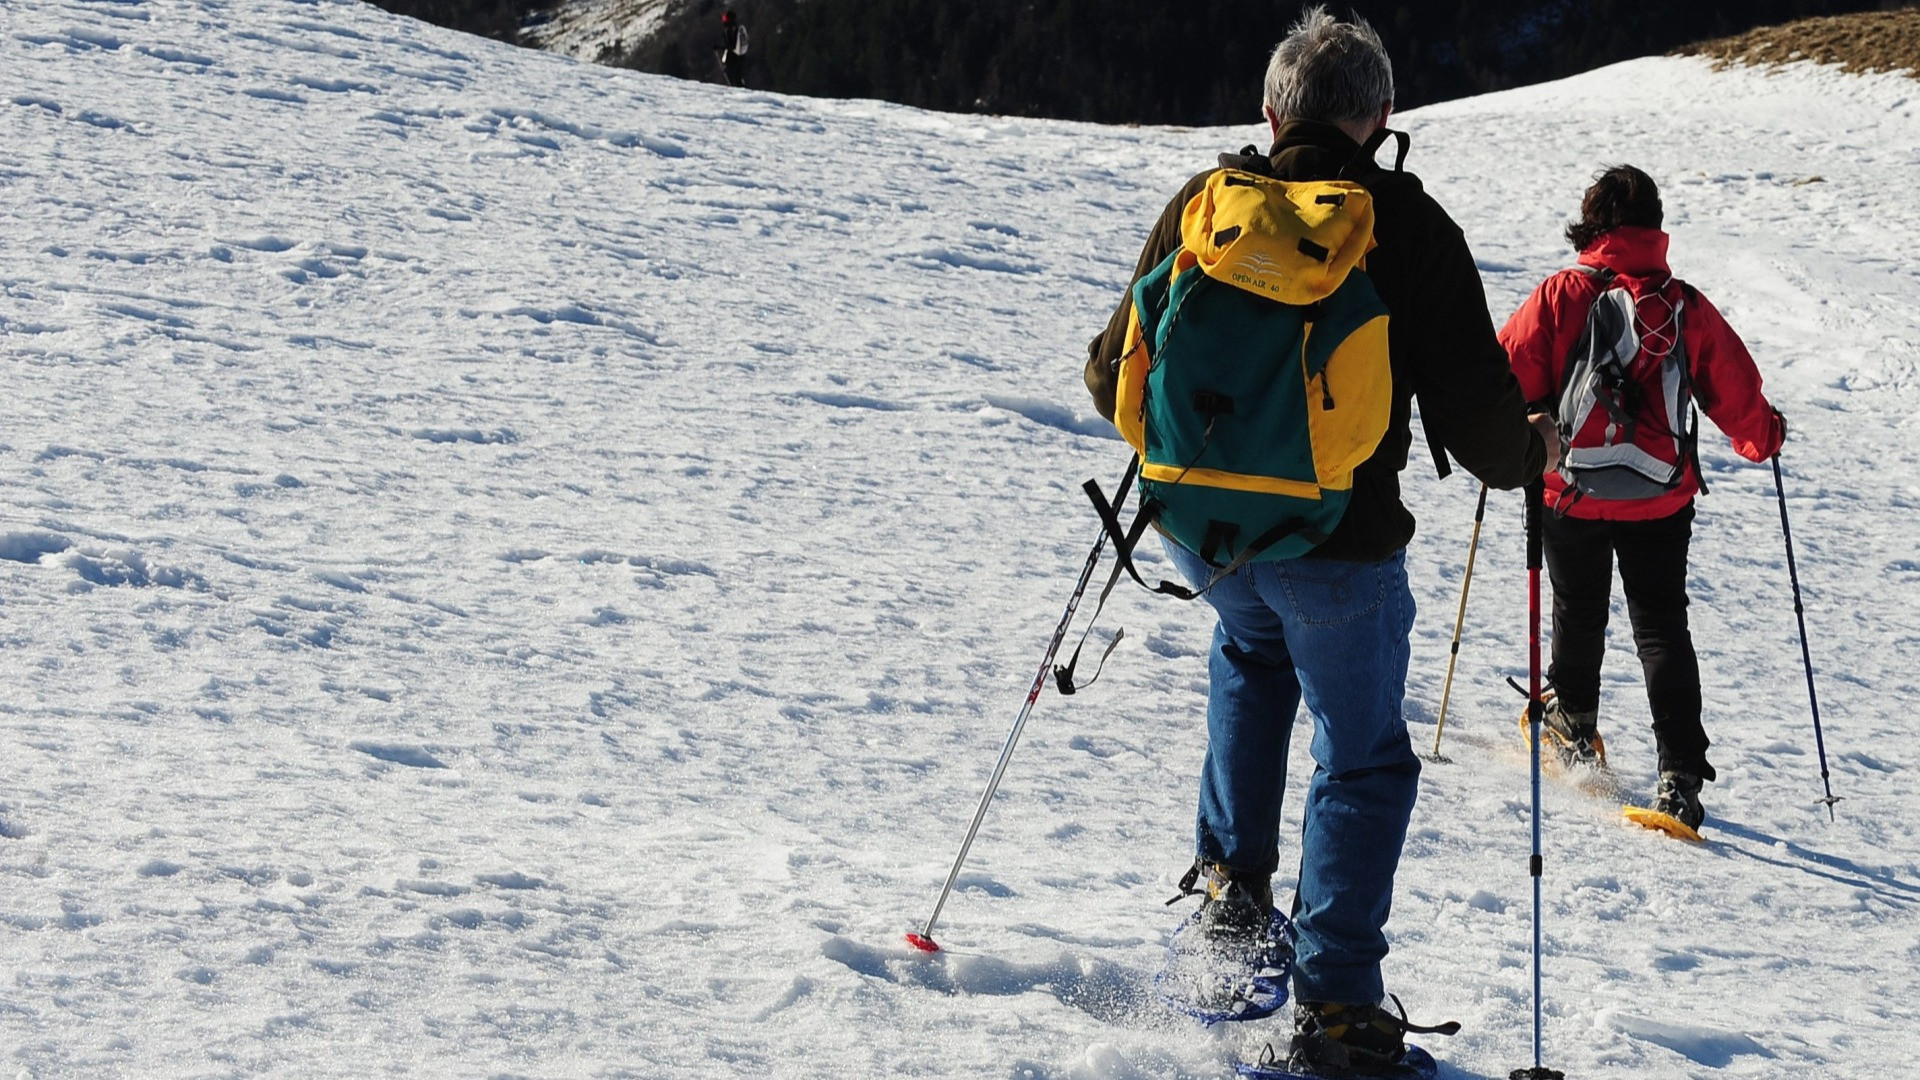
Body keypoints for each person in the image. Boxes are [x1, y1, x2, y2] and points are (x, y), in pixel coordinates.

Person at [1084, 7, 1555, 1074]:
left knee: (1251, 657)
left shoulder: (1206, 206)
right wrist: (1533, 450)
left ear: (1271, 111)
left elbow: (1112, 372)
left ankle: (1230, 901)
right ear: (1381, 115)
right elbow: (1481, 428)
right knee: (1365, 754)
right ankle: (1337, 1004)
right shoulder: (1405, 225)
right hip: (1340, 542)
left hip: (1205, 533)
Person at [1499, 165, 1785, 831]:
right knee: (1660, 626)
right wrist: (1765, 435)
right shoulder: (1684, 304)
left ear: (1592, 225)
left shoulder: (1562, 294)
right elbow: (1735, 394)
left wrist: (1512, 439)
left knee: (1578, 610)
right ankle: (1680, 779)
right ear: (1654, 228)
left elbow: (1504, 376)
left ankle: (1573, 730)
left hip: (1570, 490)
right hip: (1661, 496)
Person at [714, 8, 748, 88]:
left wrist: (719, 47)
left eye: (725, 18)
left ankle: (736, 90)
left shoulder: (730, 30)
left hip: (733, 57)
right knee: (739, 77)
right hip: (741, 56)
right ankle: (742, 89)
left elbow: (731, 46)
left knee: (732, 76)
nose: (723, 20)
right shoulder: (737, 27)